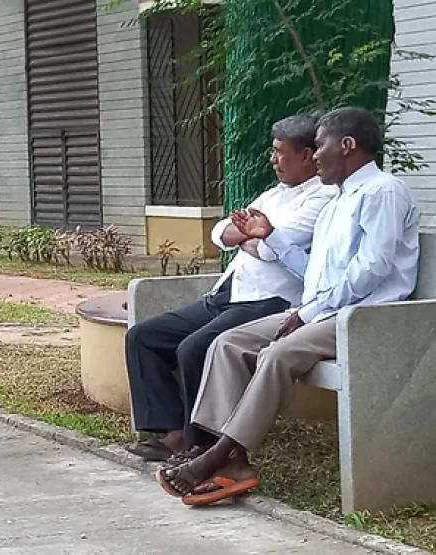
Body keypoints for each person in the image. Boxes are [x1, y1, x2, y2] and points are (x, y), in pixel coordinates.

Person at [157, 106, 420, 506]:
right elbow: (312, 272)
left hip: (365, 316)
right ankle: (235, 463)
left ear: (347, 145)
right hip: (324, 310)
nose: (314, 156)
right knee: (226, 344)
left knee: (278, 354)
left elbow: (371, 270)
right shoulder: (337, 200)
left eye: (320, 146)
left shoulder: (382, 191)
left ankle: (214, 457)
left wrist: (307, 313)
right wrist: (272, 237)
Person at [124, 114, 335, 465]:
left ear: (307, 155)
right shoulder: (273, 195)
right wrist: (248, 237)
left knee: (195, 349)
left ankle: (202, 446)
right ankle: (170, 434)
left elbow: (270, 246)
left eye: (281, 152)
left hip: (271, 301)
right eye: (273, 150)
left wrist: (256, 239)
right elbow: (220, 232)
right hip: (229, 292)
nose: (273, 159)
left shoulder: (322, 199)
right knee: (144, 337)